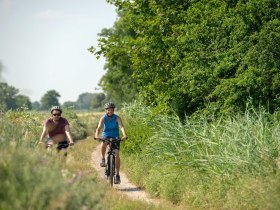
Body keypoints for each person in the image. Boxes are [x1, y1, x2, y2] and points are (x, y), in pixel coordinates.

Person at [94, 102, 128, 184]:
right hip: (106, 135)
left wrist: (124, 135)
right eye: (108, 110)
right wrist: (96, 135)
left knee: (116, 154)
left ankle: (117, 175)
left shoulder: (117, 118)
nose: (110, 111)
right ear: (106, 111)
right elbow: (99, 127)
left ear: (113, 110)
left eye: (111, 110)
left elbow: (121, 126)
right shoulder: (103, 118)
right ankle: (103, 159)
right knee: (103, 143)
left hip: (115, 136)